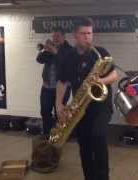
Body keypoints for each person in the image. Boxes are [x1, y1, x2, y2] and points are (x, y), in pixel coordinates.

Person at [56, 17, 118, 180]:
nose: (88, 37)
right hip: (81, 108)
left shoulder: (101, 53)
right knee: (84, 145)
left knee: (98, 136)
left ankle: (103, 177)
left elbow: (114, 75)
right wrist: (59, 104)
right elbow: (62, 82)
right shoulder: (68, 57)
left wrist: (101, 81)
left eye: (90, 33)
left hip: (101, 105)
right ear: (75, 35)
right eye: (83, 34)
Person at [36, 29, 72, 136]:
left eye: (57, 36)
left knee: (59, 113)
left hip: (62, 87)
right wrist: (45, 50)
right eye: (53, 36)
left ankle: (59, 136)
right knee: (44, 111)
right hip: (47, 86)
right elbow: (39, 59)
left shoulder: (69, 50)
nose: (55, 38)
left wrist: (55, 52)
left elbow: (65, 62)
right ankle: (48, 134)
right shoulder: (49, 49)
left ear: (64, 37)